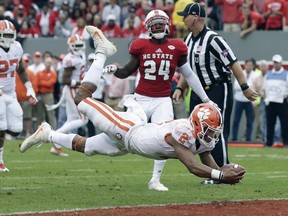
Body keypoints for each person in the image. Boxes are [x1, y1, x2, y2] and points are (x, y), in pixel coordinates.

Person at [19, 32, 245, 185]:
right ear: (197, 124)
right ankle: (101, 52)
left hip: (130, 143)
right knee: (81, 98)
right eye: (209, 128)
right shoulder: (182, 133)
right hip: (128, 130)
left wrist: (224, 170)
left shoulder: (199, 137)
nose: (212, 134)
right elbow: (194, 167)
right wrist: (221, 176)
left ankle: (47, 134)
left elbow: (210, 163)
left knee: (86, 147)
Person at [102, 10, 215, 191]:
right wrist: (113, 69)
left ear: (167, 25)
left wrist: (206, 99)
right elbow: (125, 72)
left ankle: (155, 180)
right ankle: (94, 145)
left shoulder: (177, 46)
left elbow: (190, 76)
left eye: (161, 23)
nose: (158, 27)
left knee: (165, 138)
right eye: (155, 24)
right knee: (122, 134)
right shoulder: (140, 45)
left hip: (162, 100)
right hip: (141, 98)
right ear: (148, 27)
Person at [174, 3, 259, 184]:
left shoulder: (214, 39)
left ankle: (222, 172)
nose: (183, 19)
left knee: (217, 130)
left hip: (218, 87)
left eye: (185, 16)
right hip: (198, 90)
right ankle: (213, 172)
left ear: (195, 17)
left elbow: (233, 63)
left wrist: (244, 87)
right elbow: (187, 69)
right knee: (197, 131)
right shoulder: (188, 39)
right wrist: (181, 88)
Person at [0, 20, 38, 172]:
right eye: (6, 35)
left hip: (10, 93)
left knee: (16, 129)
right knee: (1, 126)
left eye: (11, 35)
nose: (9, 38)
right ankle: (0, 161)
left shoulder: (17, 48)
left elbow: (21, 69)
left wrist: (29, 88)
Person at [49, 34, 88, 156]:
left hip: (76, 89)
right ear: (70, 47)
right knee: (83, 120)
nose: (78, 48)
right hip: (73, 89)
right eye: (76, 46)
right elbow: (64, 80)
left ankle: (56, 145)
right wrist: (81, 82)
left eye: (80, 45)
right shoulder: (71, 59)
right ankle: (53, 136)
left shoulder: (80, 56)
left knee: (71, 119)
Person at [231, 58, 261, 142]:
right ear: (245, 65)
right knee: (236, 120)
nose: (249, 67)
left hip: (249, 101)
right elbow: (236, 87)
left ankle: (248, 139)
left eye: (251, 65)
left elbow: (257, 88)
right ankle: (234, 138)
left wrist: (245, 87)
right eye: (248, 65)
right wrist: (248, 87)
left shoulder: (256, 75)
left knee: (249, 121)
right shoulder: (240, 73)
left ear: (253, 66)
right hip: (239, 100)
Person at [263, 54, 288, 148]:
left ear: (281, 63)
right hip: (270, 102)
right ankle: (269, 142)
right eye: (274, 62)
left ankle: (286, 142)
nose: (275, 64)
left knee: (284, 123)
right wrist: (266, 98)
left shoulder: (286, 74)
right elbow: (264, 88)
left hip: (282, 102)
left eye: (277, 63)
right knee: (270, 123)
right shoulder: (268, 74)